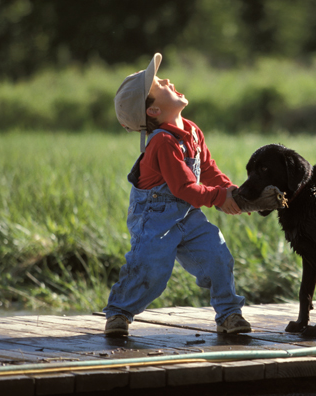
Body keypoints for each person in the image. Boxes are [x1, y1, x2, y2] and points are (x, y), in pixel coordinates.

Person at [103, 53, 250, 336]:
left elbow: (207, 169)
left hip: (187, 213)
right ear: (153, 112)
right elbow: (183, 187)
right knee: (150, 270)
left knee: (218, 255)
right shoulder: (163, 143)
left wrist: (231, 191)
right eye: (160, 85)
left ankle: (229, 315)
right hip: (155, 218)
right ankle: (119, 313)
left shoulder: (191, 130)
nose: (168, 80)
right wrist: (220, 198)